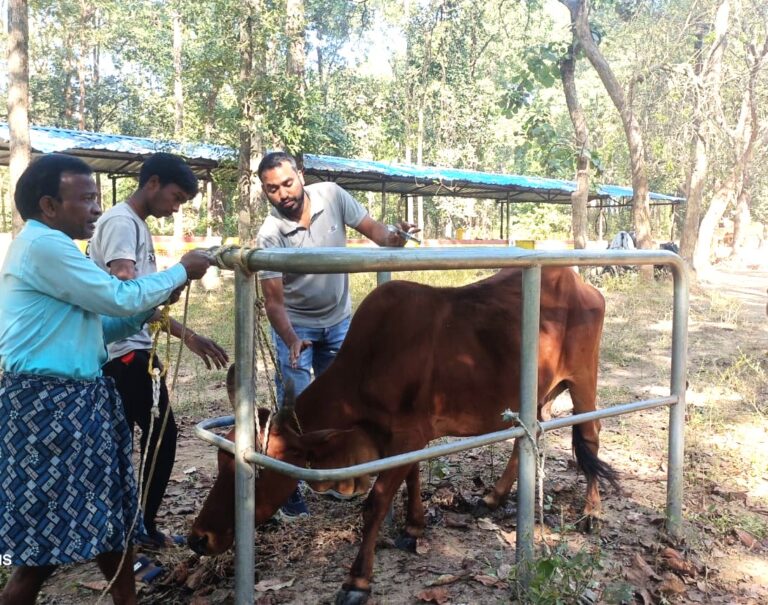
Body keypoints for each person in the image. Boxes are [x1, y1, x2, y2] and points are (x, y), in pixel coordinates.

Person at [0, 154, 214, 605]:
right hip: (48, 408)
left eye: (97, 197)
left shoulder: (57, 249)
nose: (97, 207)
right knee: (44, 541)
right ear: (49, 205)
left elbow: (100, 327)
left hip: (79, 400)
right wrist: (180, 271)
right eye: (87, 198)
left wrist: (158, 299)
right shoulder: (43, 246)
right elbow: (117, 296)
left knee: (110, 517)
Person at [255, 151, 418, 518]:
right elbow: (274, 303)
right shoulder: (269, 235)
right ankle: (288, 489)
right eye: (272, 189)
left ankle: (335, 479)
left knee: (343, 404)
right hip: (296, 327)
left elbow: (381, 236)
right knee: (295, 409)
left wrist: (399, 236)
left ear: (301, 175)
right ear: (264, 192)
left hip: (339, 321)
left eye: (287, 183)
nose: (283, 194)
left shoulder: (332, 195)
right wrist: (293, 339)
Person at [88, 153, 229, 549]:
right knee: (154, 440)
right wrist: (179, 272)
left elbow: (142, 301)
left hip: (132, 349)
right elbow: (125, 294)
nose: (175, 207)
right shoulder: (120, 222)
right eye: (175, 197)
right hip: (122, 355)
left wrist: (185, 333)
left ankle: (134, 528)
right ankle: (136, 532)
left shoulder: (134, 225)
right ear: (152, 183)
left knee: (148, 440)